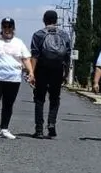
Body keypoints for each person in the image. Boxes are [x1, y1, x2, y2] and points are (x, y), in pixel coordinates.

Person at [28, 10, 72, 138]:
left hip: (41, 69)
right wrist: (66, 73)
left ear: (44, 20)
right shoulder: (64, 35)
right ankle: (51, 123)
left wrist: (31, 73)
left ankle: (39, 130)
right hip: (57, 70)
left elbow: (35, 55)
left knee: (39, 99)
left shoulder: (38, 34)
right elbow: (67, 55)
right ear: (56, 20)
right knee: (54, 98)